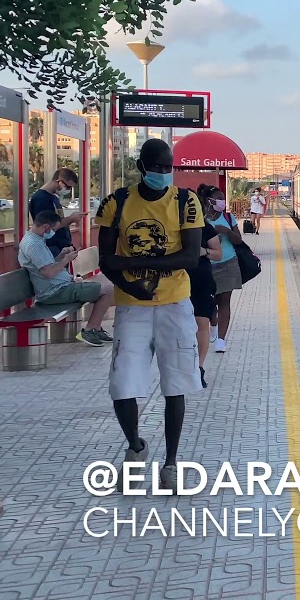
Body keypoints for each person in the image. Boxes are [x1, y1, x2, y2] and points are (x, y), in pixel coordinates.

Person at [96, 138, 204, 491]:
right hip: (132, 308)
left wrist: (131, 263)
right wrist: (131, 282)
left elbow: (189, 258)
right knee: (122, 385)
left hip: (175, 305)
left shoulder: (186, 202)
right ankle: (135, 445)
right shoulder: (117, 202)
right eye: (155, 167)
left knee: (176, 386)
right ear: (141, 167)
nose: (162, 173)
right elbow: (105, 260)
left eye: (167, 167)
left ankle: (171, 462)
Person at [17, 211, 115, 346]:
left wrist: (61, 256)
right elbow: (48, 273)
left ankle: (95, 328)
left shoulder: (36, 240)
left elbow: (48, 266)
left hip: (59, 287)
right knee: (109, 290)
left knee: (106, 287)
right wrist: (66, 261)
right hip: (55, 292)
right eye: (54, 230)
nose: (53, 233)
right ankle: (90, 329)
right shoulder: (34, 245)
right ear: (46, 227)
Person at [193, 185, 225, 387]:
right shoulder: (171, 228)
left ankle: (199, 367)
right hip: (174, 282)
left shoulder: (206, 228)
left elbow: (217, 253)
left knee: (201, 323)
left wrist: (203, 251)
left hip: (201, 281)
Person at [204, 186, 243, 354]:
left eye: (223, 197)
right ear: (210, 201)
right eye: (218, 198)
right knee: (210, 304)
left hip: (229, 263)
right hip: (208, 266)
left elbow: (238, 240)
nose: (222, 201)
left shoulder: (228, 217)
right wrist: (212, 239)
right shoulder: (203, 219)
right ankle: (213, 323)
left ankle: (221, 339)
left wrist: (226, 231)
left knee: (224, 300)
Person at [29, 168, 86, 258]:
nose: (68, 190)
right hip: (51, 248)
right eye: (67, 187)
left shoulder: (53, 198)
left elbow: (57, 220)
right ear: (59, 181)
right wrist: (70, 219)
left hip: (61, 247)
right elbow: (47, 226)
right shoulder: (41, 199)